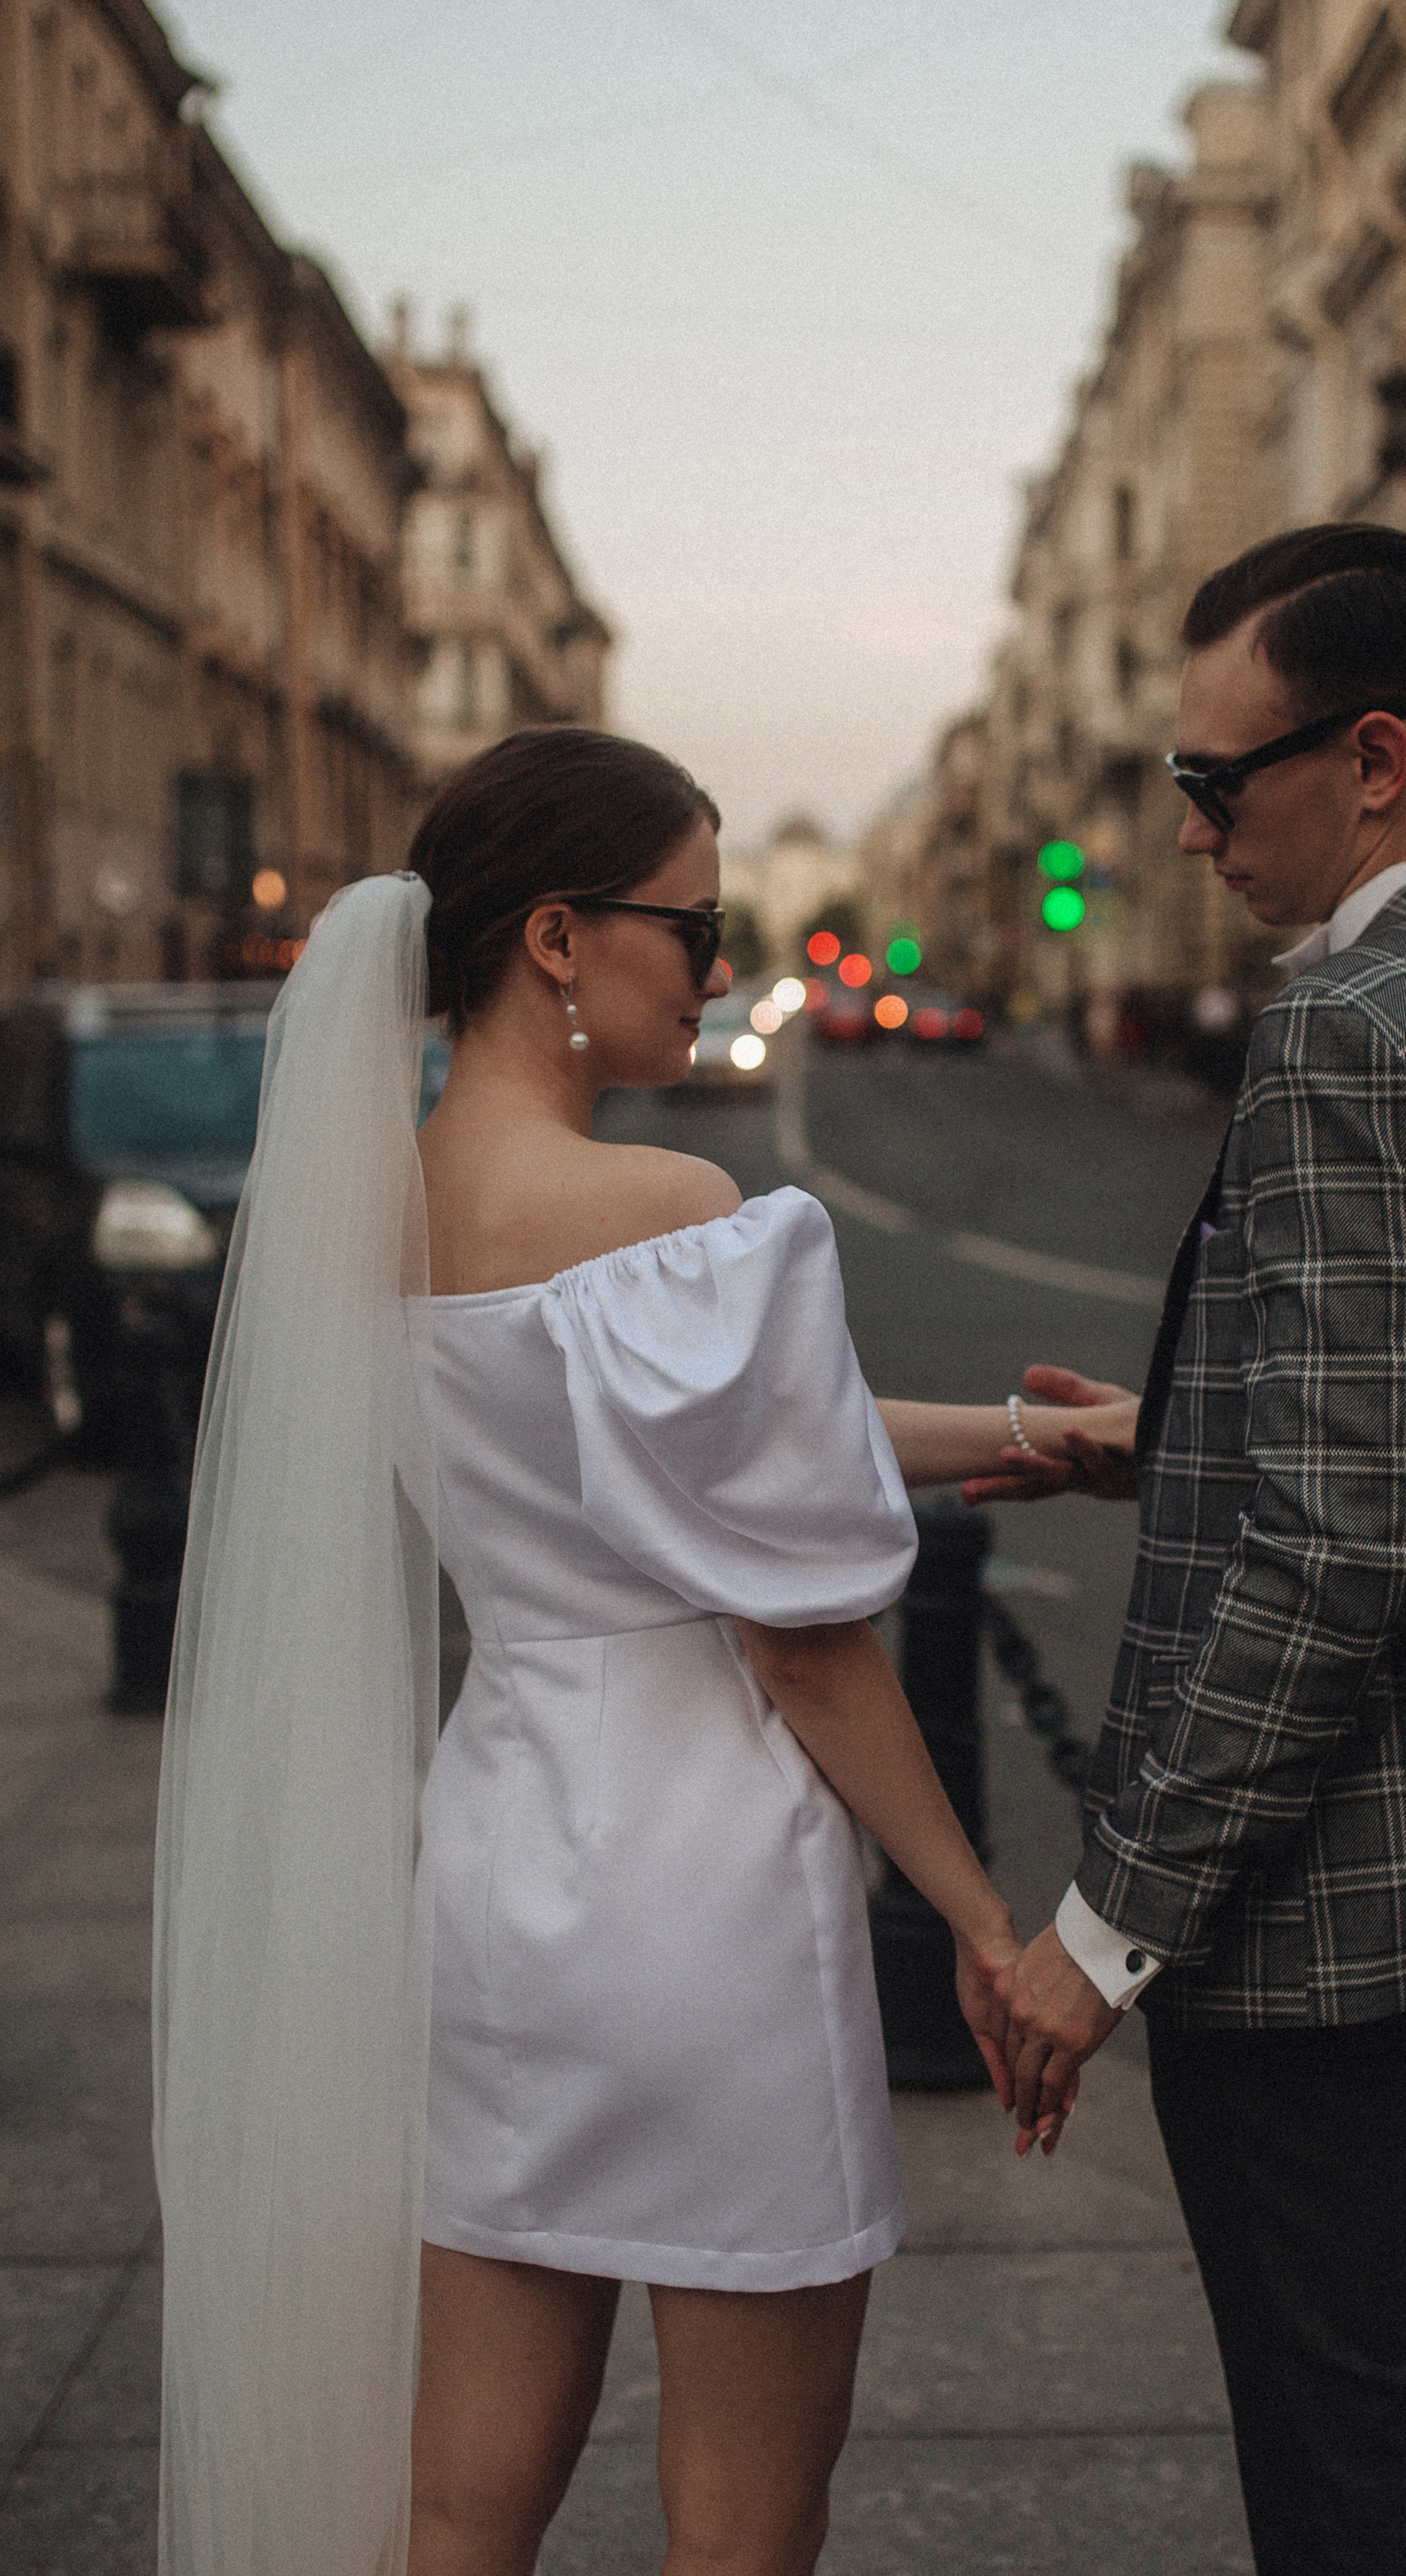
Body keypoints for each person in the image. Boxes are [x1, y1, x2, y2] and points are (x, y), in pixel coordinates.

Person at [152, 724, 1094, 2576]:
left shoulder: (379, 1209)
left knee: (460, 2505)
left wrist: (1018, 1428)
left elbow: (693, 1427)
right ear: (563, 936)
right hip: (709, 1897)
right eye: (699, 923)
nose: (722, 967)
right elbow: (801, 1638)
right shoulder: (671, 1213)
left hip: (503, 1861)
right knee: (742, 2524)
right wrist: (983, 1926)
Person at [980, 525, 1406, 2576]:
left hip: (1312, 1889)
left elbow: (1330, 1556)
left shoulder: (1350, 1034)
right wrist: (1176, 1439)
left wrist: (1103, 1932)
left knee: (1342, 2434)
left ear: (1375, 754)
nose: (1189, 828)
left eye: (1216, 778)